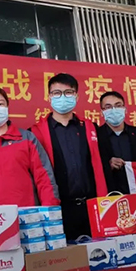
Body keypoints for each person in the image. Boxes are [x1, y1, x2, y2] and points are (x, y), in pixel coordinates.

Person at [31, 74, 108, 240]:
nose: (63, 97)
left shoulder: (90, 128)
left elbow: (101, 165)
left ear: (76, 97)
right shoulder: (36, 132)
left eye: (68, 92)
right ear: (49, 97)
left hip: (91, 207)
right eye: (57, 93)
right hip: (59, 209)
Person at [0, 87, 60, 207]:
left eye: (0, 104)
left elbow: (44, 178)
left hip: (25, 214)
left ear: (7, 108)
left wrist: (51, 210)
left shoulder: (27, 139)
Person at [96, 90, 136, 195]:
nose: (114, 110)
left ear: (125, 109)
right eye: (108, 107)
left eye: (118, 105)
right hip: (110, 194)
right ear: (102, 112)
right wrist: (108, 165)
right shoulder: (95, 136)